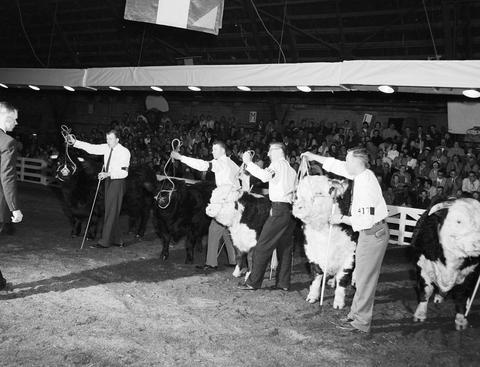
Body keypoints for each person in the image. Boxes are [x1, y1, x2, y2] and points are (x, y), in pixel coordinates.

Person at [302, 147, 389, 334]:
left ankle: (361, 322)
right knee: (362, 275)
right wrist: (312, 156)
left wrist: (340, 219)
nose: (345, 162)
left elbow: (364, 220)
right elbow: (338, 166)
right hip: (370, 232)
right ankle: (355, 313)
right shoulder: (362, 174)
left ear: (356, 162)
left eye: (348, 159)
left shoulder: (365, 185)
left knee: (365, 278)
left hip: (372, 232)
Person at [237, 142, 297, 291]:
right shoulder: (291, 170)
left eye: (270, 150)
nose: (268, 154)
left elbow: (264, 176)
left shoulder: (277, 165)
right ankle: (283, 283)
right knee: (285, 248)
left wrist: (248, 163)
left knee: (262, 246)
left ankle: (253, 282)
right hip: (289, 211)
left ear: (278, 151)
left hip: (278, 209)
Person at [171, 141, 238, 271]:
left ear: (222, 151)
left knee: (213, 230)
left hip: (225, 201)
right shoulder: (232, 163)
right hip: (233, 200)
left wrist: (181, 157)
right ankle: (233, 259)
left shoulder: (221, 163)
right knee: (225, 231)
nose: (212, 152)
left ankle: (211, 263)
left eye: (215, 149)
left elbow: (202, 165)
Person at [68, 129, 130, 248]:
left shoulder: (124, 152)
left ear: (117, 139)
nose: (108, 141)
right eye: (107, 138)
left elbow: (124, 172)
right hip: (108, 180)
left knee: (111, 211)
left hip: (117, 182)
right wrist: (75, 142)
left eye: (110, 139)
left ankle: (105, 242)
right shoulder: (107, 147)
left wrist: (108, 174)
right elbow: (92, 148)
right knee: (111, 210)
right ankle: (117, 240)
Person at [0, 102, 24, 291]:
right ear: (6, 117)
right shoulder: (7, 142)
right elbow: (7, 177)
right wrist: (14, 208)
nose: (16, 123)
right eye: (14, 119)